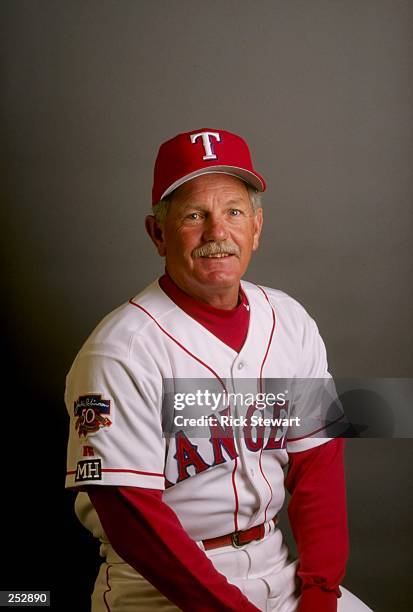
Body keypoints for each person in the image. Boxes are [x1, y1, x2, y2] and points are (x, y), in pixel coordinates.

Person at [65, 128, 372, 611]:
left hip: (277, 567)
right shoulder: (122, 349)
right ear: (157, 234)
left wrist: (320, 591)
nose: (217, 233)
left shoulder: (289, 319)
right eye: (194, 215)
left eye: (233, 212)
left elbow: (319, 462)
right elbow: (131, 515)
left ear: (257, 226)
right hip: (160, 591)